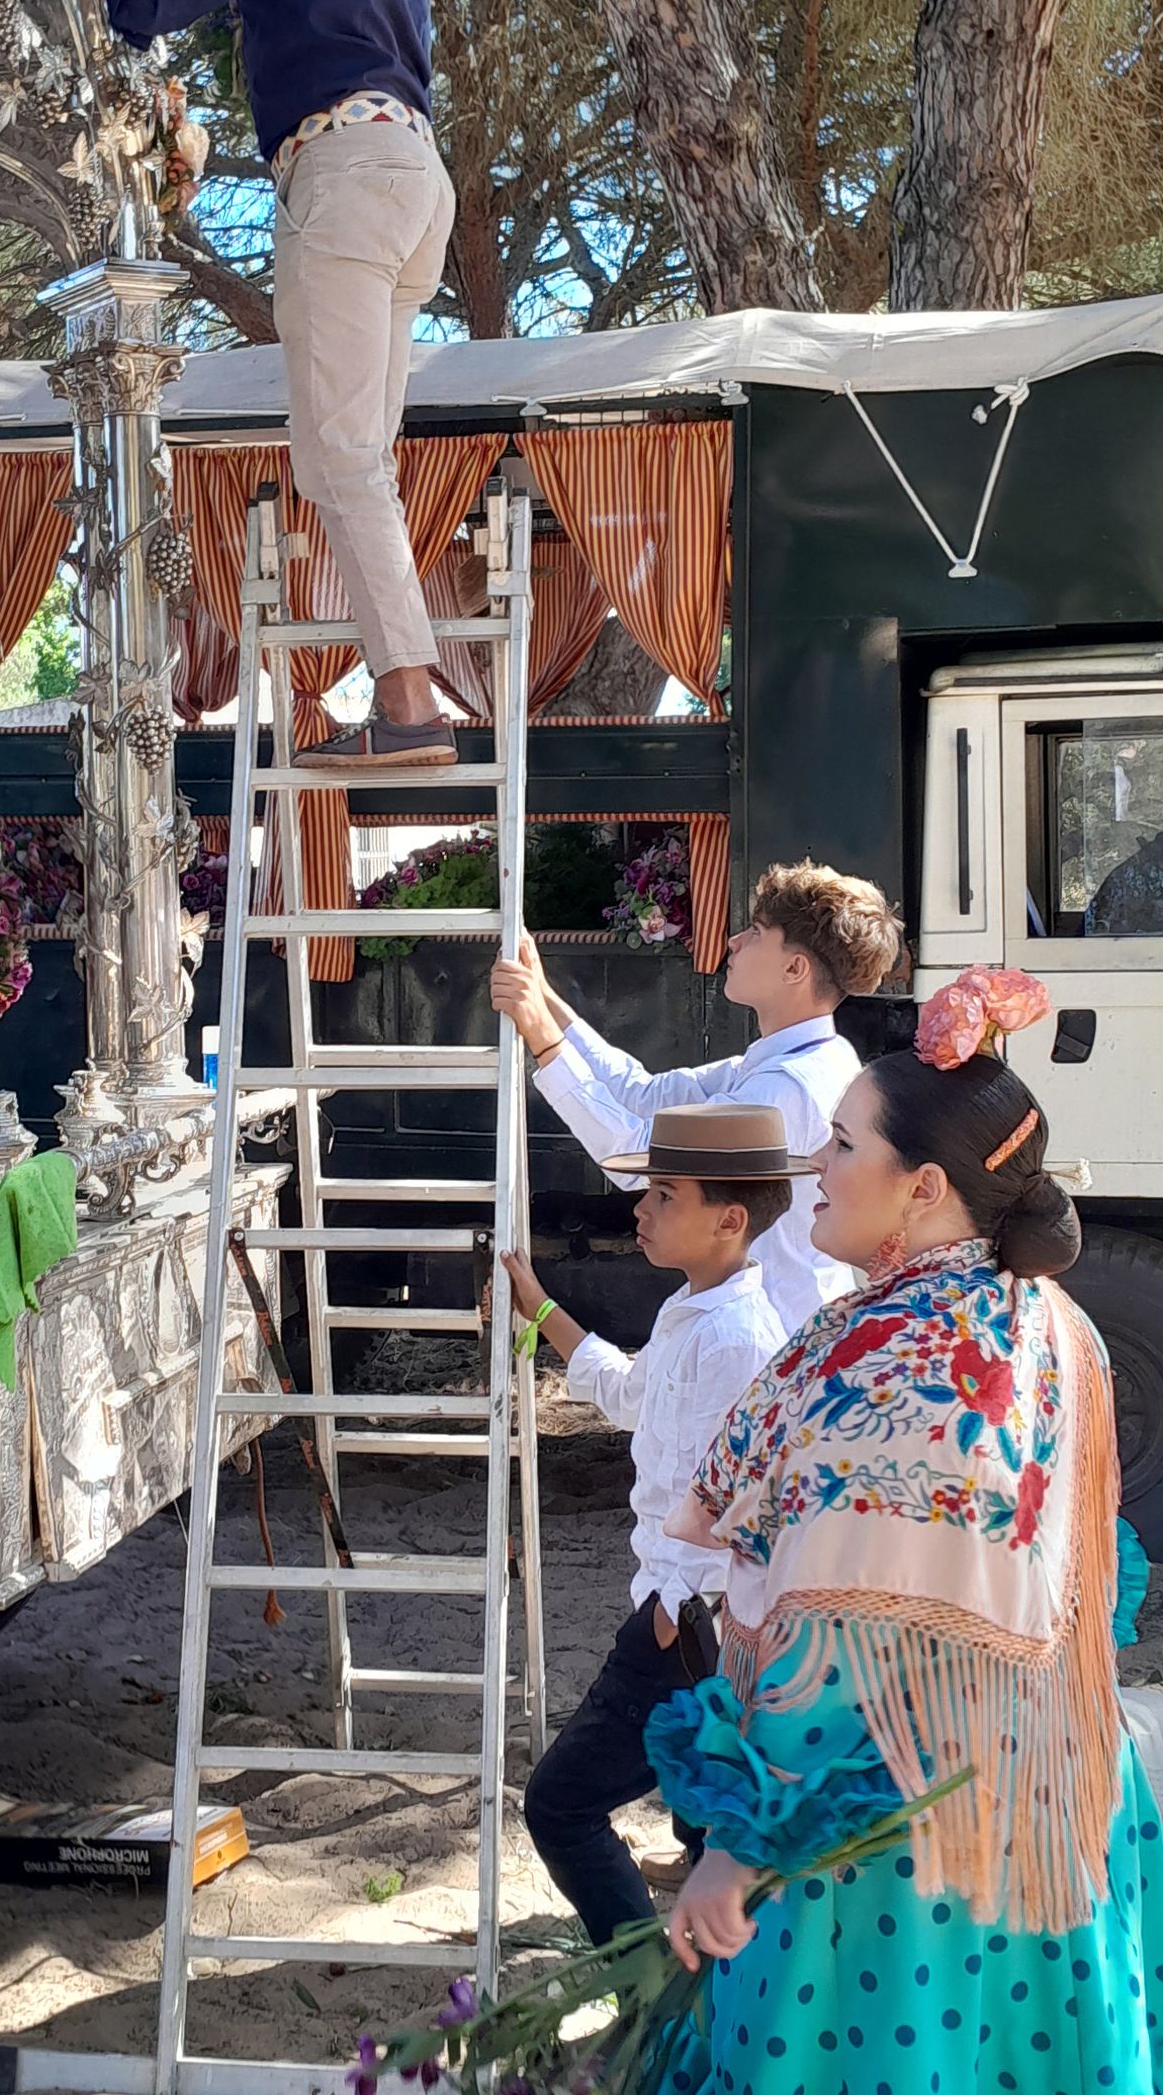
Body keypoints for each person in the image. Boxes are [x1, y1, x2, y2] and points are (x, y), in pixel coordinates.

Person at [640, 967, 1163, 2095]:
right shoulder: (1058, 1329)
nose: (812, 1169)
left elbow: (836, 1652)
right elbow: (1096, 1579)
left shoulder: (873, 1367)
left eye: (837, 1145)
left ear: (921, 1186)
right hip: (1045, 1824)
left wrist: (736, 1845)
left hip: (883, 1865)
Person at [0, 0, 458, 771]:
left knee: (339, 457)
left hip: (342, 174)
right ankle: (406, 693)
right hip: (414, 173)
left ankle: (413, 707)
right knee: (355, 460)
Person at [501, 1104, 804, 1945]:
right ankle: (700, 2012)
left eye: (664, 1195)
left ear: (729, 1220)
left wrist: (676, 1609)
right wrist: (540, 1311)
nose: (639, 1209)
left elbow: (735, 1506)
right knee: (709, 1825)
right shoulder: (697, 1308)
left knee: (561, 1805)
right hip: (687, 1619)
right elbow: (633, 1397)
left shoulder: (737, 1337)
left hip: (689, 1624)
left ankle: (648, 1996)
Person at [490, 861, 902, 1335]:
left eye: (756, 932)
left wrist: (543, 1038)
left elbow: (642, 1158)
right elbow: (643, 1092)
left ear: (795, 967)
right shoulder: (803, 1059)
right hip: (778, 1321)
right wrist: (544, 999)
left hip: (768, 1338)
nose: (734, 942)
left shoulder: (786, 1086)